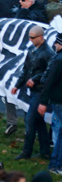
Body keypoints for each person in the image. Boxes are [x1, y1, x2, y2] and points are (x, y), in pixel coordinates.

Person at [12, 25, 55, 160]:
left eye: (32, 37)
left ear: (41, 37)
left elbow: (50, 73)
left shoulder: (48, 53)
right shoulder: (31, 49)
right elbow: (26, 69)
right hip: (34, 90)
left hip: (41, 92)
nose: (30, 40)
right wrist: (17, 85)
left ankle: (27, 151)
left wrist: (35, 79)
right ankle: (45, 151)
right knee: (38, 122)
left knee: (30, 120)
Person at [38, 33, 62, 174]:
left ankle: (55, 164)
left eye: (57, 43)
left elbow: (48, 81)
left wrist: (43, 101)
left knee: (58, 132)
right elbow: (48, 81)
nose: (54, 46)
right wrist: (43, 102)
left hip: (58, 100)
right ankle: (56, 165)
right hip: (59, 101)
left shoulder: (58, 59)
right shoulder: (58, 59)